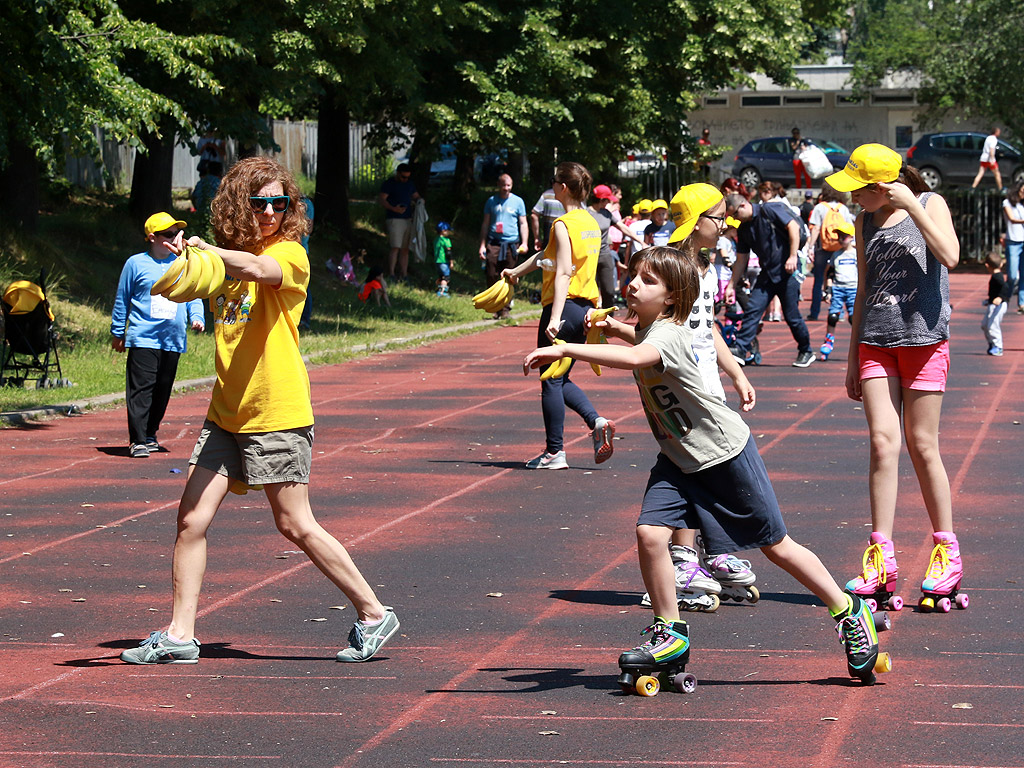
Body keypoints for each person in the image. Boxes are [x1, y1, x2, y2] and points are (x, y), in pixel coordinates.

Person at [523, 246, 888, 685]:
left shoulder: (670, 334)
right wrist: (612, 326)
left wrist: (566, 348)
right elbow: (636, 340)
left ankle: (849, 612)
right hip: (678, 459)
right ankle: (670, 632)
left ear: (673, 297)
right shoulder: (651, 327)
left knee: (775, 545)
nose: (633, 284)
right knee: (650, 533)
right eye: (633, 275)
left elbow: (642, 356)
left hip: (723, 456)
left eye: (648, 280)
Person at [120, 157, 399, 665]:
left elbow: (257, 269)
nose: (271, 211)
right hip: (228, 411)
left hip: (277, 410)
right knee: (191, 521)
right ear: (237, 205)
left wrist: (212, 251)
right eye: (259, 202)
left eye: (280, 202)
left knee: (294, 524)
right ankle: (180, 635)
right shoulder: (224, 258)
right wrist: (184, 264)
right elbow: (196, 280)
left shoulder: (290, 253)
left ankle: (374, 613)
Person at [825, 143, 963, 612]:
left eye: (858, 190)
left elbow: (950, 256)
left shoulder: (930, 204)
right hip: (875, 344)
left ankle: (946, 551)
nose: (851, 199)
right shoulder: (863, 222)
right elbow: (865, 289)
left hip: (925, 342)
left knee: (923, 446)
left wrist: (910, 206)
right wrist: (849, 360)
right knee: (883, 444)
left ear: (882, 185)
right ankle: (880, 556)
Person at [634, 184, 758, 612]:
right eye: (718, 217)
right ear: (695, 221)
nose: (725, 225)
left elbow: (708, 329)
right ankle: (687, 556)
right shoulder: (670, 269)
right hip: (682, 385)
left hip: (709, 384)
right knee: (691, 468)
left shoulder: (705, 265)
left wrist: (735, 371)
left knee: (707, 469)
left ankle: (711, 548)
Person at [501, 161, 614, 470]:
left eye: (554, 181)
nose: (552, 186)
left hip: (563, 309)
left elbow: (563, 271)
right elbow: (547, 256)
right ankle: (597, 421)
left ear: (562, 187)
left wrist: (554, 318)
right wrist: (516, 272)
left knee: (549, 380)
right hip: (584, 309)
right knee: (560, 376)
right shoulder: (590, 222)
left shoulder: (562, 224)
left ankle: (555, 452)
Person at [111, 212, 206, 459]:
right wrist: (118, 332)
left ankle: (151, 433)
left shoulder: (184, 262)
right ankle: (138, 440)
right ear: (152, 237)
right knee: (141, 389)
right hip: (143, 337)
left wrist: (197, 317)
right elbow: (123, 299)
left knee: (163, 390)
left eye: (177, 234)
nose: (175, 238)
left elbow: (194, 292)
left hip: (172, 339)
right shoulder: (135, 264)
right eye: (168, 234)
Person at [723, 191, 815, 367]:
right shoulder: (743, 229)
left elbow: (793, 227)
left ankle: (806, 350)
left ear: (744, 205)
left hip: (787, 272)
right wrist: (731, 286)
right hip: (767, 275)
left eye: (735, 214)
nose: (735, 219)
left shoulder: (770, 210)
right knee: (752, 309)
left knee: (792, 316)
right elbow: (741, 259)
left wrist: (793, 256)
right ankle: (741, 348)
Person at [479, 173, 528, 318]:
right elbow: (485, 224)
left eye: (508, 186)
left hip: (512, 243)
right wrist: (482, 245)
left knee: (509, 276)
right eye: (503, 185)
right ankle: (495, 306)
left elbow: (523, 223)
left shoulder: (518, 202)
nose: (506, 188)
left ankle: (505, 309)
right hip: (494, 242)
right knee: (491, 273)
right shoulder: (491, 201)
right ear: (498, 185)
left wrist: (525, 243)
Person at [589, 184, 644, 308]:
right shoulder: (586, 213)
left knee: (609, 290)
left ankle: (609, 319)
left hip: (604, 254)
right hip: (589, 255)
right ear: (601, 200)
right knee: (589, 290)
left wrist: (640, 241)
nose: (609, 203)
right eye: (607, 200)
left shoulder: (607, 214)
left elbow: (623, 228)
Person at [806, 184, 855, 321]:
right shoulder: (843, 208)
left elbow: (815, 229)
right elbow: (849, 228)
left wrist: (810, 247)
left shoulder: (820, 208)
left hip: (824, 248)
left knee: (818, 280)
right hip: (840, 248)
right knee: (840, 279)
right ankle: (839, 312)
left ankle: (814, 312)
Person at [817, 220, 858, 361]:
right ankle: (828, 341)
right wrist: (827, 290)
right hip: (838, 288)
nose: (841, 239)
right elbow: (830, 274)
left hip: (854, 288)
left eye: (844, 236)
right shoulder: (836, 255)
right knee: (833, 316)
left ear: (852, 237)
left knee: (854, 318)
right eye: (839, 236)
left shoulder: (857, 254)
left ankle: (859, 343)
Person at [378, 163, 421, 280]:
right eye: (403, 177)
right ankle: (391, 273)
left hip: (408, 219)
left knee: (405, 248)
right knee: (395, 247)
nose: (405, 179)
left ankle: (404, 274)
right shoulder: (389, 184)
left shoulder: (409, 184)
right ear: (398, 173)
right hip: (394, 218)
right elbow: (382, 199)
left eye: (407, 177)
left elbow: (416, 196)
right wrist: (393, 208)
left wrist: (420, 201)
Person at [982, 251, 1010, 356]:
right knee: (984, 325)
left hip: (1000, 305)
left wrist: (1000, 297)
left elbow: (1005, 287)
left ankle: (998, 347)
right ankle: (992, 343)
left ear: (987, 265)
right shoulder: (995, 275)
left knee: (993, 325)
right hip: (992, 304)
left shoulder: (998, 277)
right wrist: (989, 300)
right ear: (1001, 264)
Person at [1002, 180, 1024, 312]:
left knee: (1023, 275)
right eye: (1022, 191)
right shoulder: (1007, 203)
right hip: (1013, 241)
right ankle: (1005, 297)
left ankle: (1022, 303)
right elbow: (1012, 219)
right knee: (1012, 276)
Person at [531, 185, 566, 252]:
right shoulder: (574, 196)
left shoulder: (546, 195)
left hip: (548, 241)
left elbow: (534, 216)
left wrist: (537, 238)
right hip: (568, 241)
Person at [434, 221, 454, 297]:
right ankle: (442, 292)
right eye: (448, 230)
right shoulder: (446, 240)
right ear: (443, 231)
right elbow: (449, 253)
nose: (449, 232)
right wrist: (451, 262)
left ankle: (438, 288)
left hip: (437, 261)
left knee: (440, 276)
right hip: (444, 261)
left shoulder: (436, 240)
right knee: (446, 277)